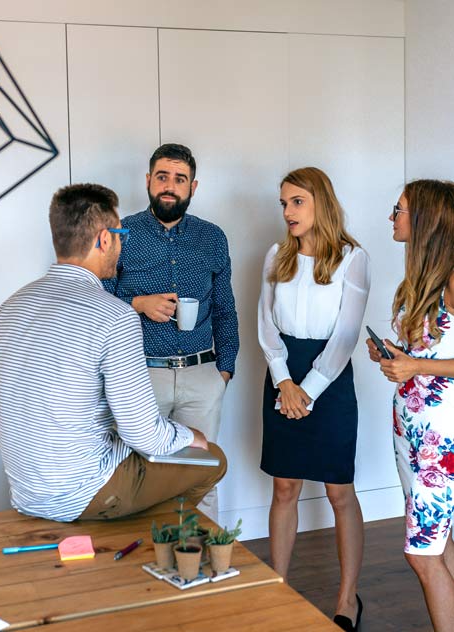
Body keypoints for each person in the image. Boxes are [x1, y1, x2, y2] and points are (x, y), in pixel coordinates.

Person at [0, 183, 226, 523]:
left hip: (25, 490)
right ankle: (148, 536)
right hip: (87, 493)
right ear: (105, 239)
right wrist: (191, 436)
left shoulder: (8, 309)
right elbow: (142, 432)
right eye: (119, 235)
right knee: (213, 459)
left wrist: (35, 460)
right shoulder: (114, 316)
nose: (120, 244)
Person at [258, 167, 370, 630]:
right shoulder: (275, 255)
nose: (287, 211)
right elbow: (265, 323)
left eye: (297, 202)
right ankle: (276, 587)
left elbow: (345, 337)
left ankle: (348, 599)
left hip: (330, 378)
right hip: (283, 375)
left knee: (339, 491)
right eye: (284, 203)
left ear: (320, 202)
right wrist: (284, 382)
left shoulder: (352, 257)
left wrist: (308, 389)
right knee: (284, 487)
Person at [103, 143, 239, 522]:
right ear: (148, 181)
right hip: (139, 375)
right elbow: (98, 303)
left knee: (202, 480)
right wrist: (138, 304)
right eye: (162, 177)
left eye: (180, 179)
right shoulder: (121, 233)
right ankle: (143, 570)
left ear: (193, 187)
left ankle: (208, 569)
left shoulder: (213, 238)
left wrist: (223, 372)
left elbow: (226, 309)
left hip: (202, 375)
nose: (170, 186)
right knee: (134, 479)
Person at [367, 179, 454, 632]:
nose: (391, 217)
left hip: (441, 442)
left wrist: (415, 366)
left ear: (424, 220)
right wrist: (396, 357)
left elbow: (430, 364)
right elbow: (428, 354)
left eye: (398, 209)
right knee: (441, 547)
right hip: (414, 434)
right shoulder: (424, 279)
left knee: (420, 554)